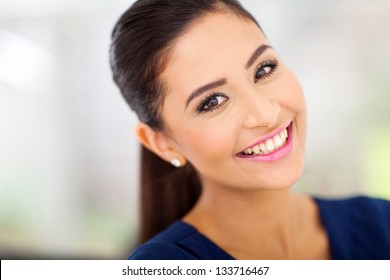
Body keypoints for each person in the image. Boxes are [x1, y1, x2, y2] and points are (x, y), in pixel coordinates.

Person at [109, 0, 390, 259]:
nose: (265, 114)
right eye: (212, 102)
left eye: (263, 70)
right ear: (162, 143)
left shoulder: (380, 221)